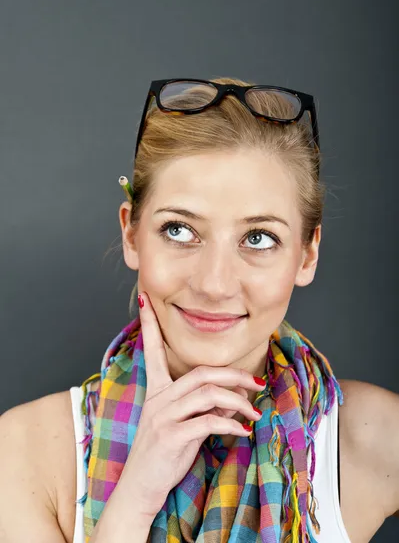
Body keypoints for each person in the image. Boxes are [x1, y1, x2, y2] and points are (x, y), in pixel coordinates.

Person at [0, 77, 398, 543]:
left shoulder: (377, 439)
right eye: (179, 230)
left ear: (307, 254)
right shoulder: (23, 450)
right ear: (132, 234)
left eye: (258, 238)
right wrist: (133, 500)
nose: (213, 284)